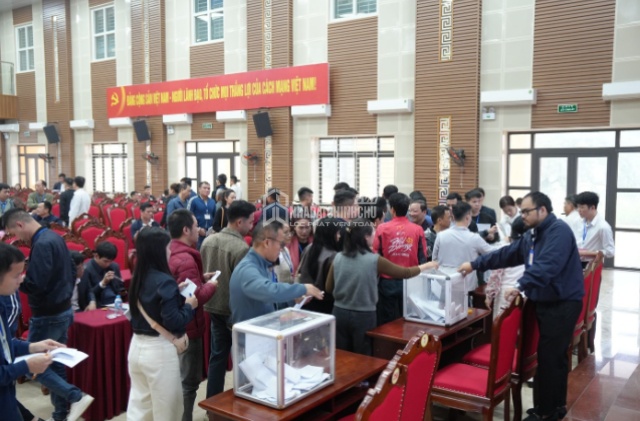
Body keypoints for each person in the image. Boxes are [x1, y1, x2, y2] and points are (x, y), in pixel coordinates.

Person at [458, 191, 584, 421]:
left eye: (526, 211)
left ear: (542, 210)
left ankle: (546, 412)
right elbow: (507, 254)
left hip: (562, 303)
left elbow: (547, 266)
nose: (522, 215)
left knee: (551, 358)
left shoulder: (558, 232)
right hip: (546, 300)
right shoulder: (533, 234)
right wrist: (475, 264)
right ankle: (553, 407)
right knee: (551, 357)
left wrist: (520, 284)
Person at [3, 209, 94, 421]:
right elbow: (71, 270)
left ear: (20, 225)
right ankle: (60, 414)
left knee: (32, 365)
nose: (18, 239)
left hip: (48, 314)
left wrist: (19, 280)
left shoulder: (42, 244)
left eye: (14, 233)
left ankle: (75, 395)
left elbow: (36, 284)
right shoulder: (54, 236)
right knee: (55, 363)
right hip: (63, 308)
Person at [326, 219, 438, 355]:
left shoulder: (338, 257)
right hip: (364, 315)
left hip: (339, 312)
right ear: (366, 237)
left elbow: (329, 287)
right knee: (363, 355)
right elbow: (405, 273)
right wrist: (426, 266)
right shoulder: (374, 260)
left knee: (341, 354)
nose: (375, 235)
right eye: (373, 232)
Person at [127, 227, 198, 420]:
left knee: (141, 409)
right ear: (158, 251)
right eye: (167, 248)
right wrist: (189, 306)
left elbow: (151, 305)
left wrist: (174, 293)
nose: (170, 252)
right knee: (168, 412)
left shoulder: (138, 277)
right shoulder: (164, 280)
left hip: (137, 347)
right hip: (158, 352)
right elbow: (174, 321)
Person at [0, 243, 68, 421]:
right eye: (16, 275)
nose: (21, 280)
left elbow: (5, 344)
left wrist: (33, 346)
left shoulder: (2, 304)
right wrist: (27, 366)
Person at [200, 200, 256, 397]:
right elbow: (244, 286)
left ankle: (212, 402)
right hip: (234, 311)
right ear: (240, 222)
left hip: (212, 305)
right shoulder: (241, 248)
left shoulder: (208, 241)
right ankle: (244, 399)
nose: (252, 226)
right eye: (251, 222)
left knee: (217, 356)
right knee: (243, 358)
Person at [167, 209, 219, 421]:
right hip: (188, 327)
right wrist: (212, 285)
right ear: (186, 230)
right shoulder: (186, 260)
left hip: (175, 325)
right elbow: (195, 297)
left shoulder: (171, 252)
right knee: (188, 384)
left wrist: (200, 278)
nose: (199, 229)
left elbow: (183, 287)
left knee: (179, 380)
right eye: (196, 225)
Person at [229, 221, 324, 325]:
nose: (282, 248)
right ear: (267, 243)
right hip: (250, 333)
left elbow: (268, 302)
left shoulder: (263, 264)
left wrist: (292, 299)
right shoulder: (247, 269)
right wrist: (302, 288)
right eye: (281, 244)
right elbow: (269, 291)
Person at [373, 193, 428, 326]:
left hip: (387, 281)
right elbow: (423, 257)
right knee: (411, 318)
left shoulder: (381, 228)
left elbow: (375, 255)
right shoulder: (418, 229)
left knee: (387, 321)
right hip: (412, 280)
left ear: (392, 209)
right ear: (407, 208)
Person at [433, 202, 495, 291]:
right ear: (468, 217)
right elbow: (493, 252)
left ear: (453, 217)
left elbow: (434, 260)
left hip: (443, 282)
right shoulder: (474, 238)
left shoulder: (441, 235)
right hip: (466, 284)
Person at [484, 216, 526, 319]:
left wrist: (489, 295)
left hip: (505, 293)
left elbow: (495, 275)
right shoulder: (533, 249)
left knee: (502, 324)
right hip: (524, 292)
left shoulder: (505, 249)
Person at [298, 217, 343, 314]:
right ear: (331, 234)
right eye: (338, 233)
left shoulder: (309, 248)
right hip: (326, 302)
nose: (339, 236)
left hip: (306, 298)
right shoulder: (333, 256)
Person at [78, 242, 124, 310]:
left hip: (115, 302)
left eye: (110, 261)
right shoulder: (86, 270)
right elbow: (87, 295)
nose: (108, 264)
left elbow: (120, 288)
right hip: (98, 304)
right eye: (105, 261)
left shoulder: (114, 266)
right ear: (96, 256)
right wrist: (103, 283)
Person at [575, 191, 615, 263]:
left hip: (590, 264)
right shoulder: (579, 222)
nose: (579, 210)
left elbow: (610, 251)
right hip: (576, 261)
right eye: (578, 207)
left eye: (582, 207)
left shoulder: (603, 227)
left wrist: (591, 253)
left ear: (592, 208)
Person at [187, 181, 216, 249]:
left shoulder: (212, 201)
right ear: (199, 189)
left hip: (210, 232)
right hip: (197, 231)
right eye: (205, 188)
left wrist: (213, 229)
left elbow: (214, 216)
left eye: (208, 188)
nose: (207, 190)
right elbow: (188, 216)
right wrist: (198, 229)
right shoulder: (194, 200)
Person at [287, 209, 313, 275]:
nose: (304, 231)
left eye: (307, 227)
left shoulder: (315, 242)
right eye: (301, 228)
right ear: (294, 227)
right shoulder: (288, 243)